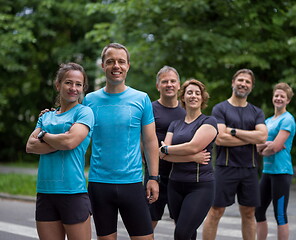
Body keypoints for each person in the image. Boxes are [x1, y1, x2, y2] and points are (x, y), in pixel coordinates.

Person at [82, 43, 159, 240]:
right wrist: (49, 118)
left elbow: (150, 141)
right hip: (99, 184)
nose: (116, 66)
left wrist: (153, 177)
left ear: (128, 66)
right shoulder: (89, 100)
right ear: (103, 66)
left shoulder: (141, 99)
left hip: (132, 183)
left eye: (121, 61)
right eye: (110, 62)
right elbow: (77, 137)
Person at [26, 62, 94, 240]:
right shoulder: (46, 116)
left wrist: (43, 134)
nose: (73, 88)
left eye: (78, 84)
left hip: (73, 192)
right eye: (68, 83)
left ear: (83, 88)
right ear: (58, 85)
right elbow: (30, 146)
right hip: (45, 192)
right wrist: (60, 140)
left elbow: (70, 142)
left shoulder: (85, 113)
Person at [202, 69, 268, 240]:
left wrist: (233, 131)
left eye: (247, 82)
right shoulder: (220, 108)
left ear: (251, 87)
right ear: (233, 82)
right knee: (216, 211)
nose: (243, 84)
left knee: (248, 213)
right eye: (240, 80)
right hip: (225, 167)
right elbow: (221, 139)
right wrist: (251, 137)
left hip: (250, 168)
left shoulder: (256, 112)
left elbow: (262, 136)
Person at [159, 79, 218, 240]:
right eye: (189, 92)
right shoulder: (175, 124)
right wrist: (192, 157)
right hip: (175, 185)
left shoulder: (209, 122)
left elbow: (193, 146)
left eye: (197, 93)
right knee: (188, 233)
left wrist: (167, 149)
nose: (194, 96)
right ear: (183, 97)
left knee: (181, 234)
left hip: (200, 186)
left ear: (202, 98)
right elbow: (163, 156)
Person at [145, 65, 186, 229]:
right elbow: (143, 140)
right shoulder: (150, 109)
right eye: (164, 81)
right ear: (158, 86)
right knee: (149, 223)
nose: (169, 84)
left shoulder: (187, 110)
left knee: (183, 224)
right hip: (156, 175)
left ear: (178, 85)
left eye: (172, 81)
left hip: (182, 175)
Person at [255, 83, 296, 240]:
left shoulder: (288, 119)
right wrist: (267, 146)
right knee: (258, 211)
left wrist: (266, 147)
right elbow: (259, 146)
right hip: (267, 172)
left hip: (282, 172)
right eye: (276, 95)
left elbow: (277, 146)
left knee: (280, 214)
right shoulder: (267, 121)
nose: (279, 98)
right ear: (273, 98)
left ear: (288, 101)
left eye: (282, 97)